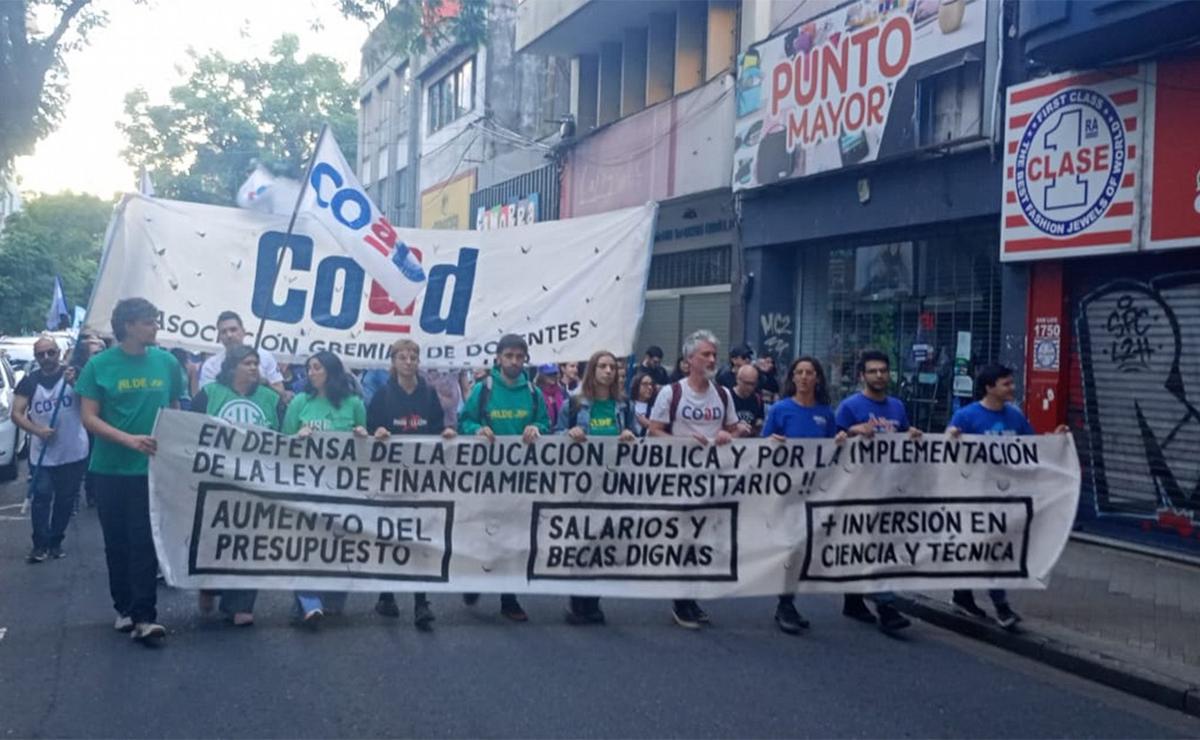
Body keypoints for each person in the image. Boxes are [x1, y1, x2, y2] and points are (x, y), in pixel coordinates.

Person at [76, 298, 183, 644]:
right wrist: (128, 440)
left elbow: (176, 409)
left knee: (145, 541)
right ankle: (123, 607)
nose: (155, 327)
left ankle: (144, 616)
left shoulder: (167, 363)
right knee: (116, 542)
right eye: (149, 322)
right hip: (109, 470)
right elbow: (88, 418)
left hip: (150, 470)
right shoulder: (99, 366)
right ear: (129, 326)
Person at [946, 364, 1068, 629]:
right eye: (1006, 384)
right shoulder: (966, 416)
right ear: (989, 388)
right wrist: (951, 439)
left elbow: (1031, 448)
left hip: (1007, 496)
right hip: (976, 497)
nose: (1012, 388)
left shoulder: (1015, 417)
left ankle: (966, 597)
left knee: (993, 549)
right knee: (986, 549)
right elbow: (947, 451)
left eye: (1012, 383)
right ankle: (997, 605)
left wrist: (1054, 442)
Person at [649, 329, 746, 629]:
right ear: (689, 359)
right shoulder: (671, 392)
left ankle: (691, 596)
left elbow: (735, 427)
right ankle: (683, 599)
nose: (712, 359)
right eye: (705, 354)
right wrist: (681, 442)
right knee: (683, 538)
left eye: (714, 355)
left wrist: (730, 433)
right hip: (679, 479)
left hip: (713, 480)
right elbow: (654, 430)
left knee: (704, 537)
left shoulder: (723, 393)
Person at [459, 333, 550, 622]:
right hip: (485, 476)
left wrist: (536, 428)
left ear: (525, 359)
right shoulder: (482, 388)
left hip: (521, 478)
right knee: (483, 531)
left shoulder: (533, 393)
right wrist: (477, 430)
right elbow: (465, 420)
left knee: (514, 536)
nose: (513, 361)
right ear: (498, 358)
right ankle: (474, 579)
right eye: (508, 356)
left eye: (519, 356)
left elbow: (546, 424)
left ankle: (508, 598)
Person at [367, 339, 456, 631]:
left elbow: (435, 426)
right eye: (402, 357)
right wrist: (376, 432)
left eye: (413, 357)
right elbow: (370, 429)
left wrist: (445, 434)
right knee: (390, 535)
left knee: (419, 537)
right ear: (393, 362)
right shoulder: (382, 394)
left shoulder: (429, 394)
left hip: (419, 477)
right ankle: (387, 594)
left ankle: (421, 601)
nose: (408, 361)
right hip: (390, 476)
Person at [190, 345, 281, 626]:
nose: (254, 368)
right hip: (217, 477)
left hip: (256, 478)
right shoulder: (210, 395)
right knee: (215, 536)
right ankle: (209, 585)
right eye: (247, 363)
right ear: (232, 368)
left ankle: (241, 604)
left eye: (256, 363)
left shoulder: (271, 398)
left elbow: (282, 437)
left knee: (249, 540)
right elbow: (192, 429)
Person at [834, 349, 921, 634]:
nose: (879, 375)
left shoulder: (897, 406)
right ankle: (886, 606)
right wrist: (853, 432)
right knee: (873, 546)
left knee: (872, 546)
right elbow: (829, 447)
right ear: (862, 376)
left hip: (890, 486)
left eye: (883, 370)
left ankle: (853, 601)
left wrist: (913, 436)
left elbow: (903, 436)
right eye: (873, 371)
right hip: (858, 488)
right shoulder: (849, 407)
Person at [282, 351, 369, 627]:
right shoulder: (299, 402)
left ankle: (332, 600)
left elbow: (364, 449)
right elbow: (283, 443)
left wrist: (361, 436)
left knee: (338, 544)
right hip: (306, 484)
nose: (311, 372)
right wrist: (298, 437)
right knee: (305, 543)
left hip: (342, 487)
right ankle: (308, 602)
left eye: (317, 367)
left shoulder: (354, 403)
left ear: (331, 371)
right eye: (309, 368)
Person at [763, 356, 844, 634]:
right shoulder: (780, 410)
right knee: (792, 547)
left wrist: (840, 443)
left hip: (814, 492)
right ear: (793, 378)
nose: (805, 377)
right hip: (785, 492)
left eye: (810, 372)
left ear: (818, 378)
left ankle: (787, 601)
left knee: (803, 549)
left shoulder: (826, 413)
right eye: (799, 372)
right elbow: (761, 447)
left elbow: (832, 451)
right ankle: (785, 603)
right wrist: (772, 443)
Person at [557, 350, 637, 625]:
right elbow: (555, 437)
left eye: (612, 367)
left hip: (611, 483)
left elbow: (636, 437)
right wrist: (569, 435)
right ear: (592, 370)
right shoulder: (576, 404)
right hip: (580, 483)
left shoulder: (623, 405)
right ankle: (576, 600)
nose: (608, 371)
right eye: (602, 366)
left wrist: (630, 436)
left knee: (602, 540)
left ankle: (593, 599)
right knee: (579, 539)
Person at [12, 335, 89, 563]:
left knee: (65, 500)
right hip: (42, 454)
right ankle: (40, 545)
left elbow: (92, 401)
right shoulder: (29, 381)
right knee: (42, 497)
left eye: (50, 352)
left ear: (58, 352)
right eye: (40, 354)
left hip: (73, 451)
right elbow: (16, 413)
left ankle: (56, 541)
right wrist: (36, 430)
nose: (46, 358)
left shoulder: (73, 375)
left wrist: (77, 383)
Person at [197, 311, 288, 398]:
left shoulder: (265, 356)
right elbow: (207, 396)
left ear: (243, 332)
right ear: (219, 337)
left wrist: (263, 383)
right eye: (224, 332)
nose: (229, 335)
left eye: (233, 330)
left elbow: (281, 393)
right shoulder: (210, 365)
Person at [731, 364, 765, 436]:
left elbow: (759, 420)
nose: (750, 387)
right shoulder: (728, 397)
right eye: (746, 383)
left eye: (753, 384)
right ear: (738, 380)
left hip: (750, 442)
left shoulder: (758, 399)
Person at [535, 364, 567, 430]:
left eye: (554, 373)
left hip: (562, 434)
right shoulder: (535, 393)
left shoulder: (562, 392)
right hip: (543, 434)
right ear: (541, 375)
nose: (553, 376)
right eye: (549, 374)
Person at [628, 370, 659, 439]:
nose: (650, 387)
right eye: (645, 384)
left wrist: (648, 424)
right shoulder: (627, 406)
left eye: (651, 384)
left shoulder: (656, 408)